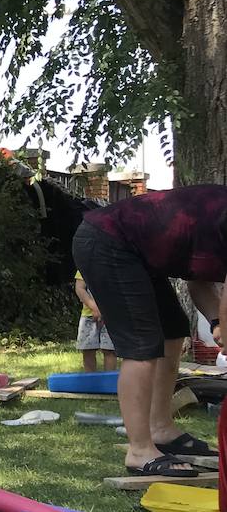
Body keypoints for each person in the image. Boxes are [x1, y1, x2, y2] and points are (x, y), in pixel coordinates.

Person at [72, 185, 227, 476]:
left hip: (136, 253)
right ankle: (139, 450)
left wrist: (217, 323)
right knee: (142, 346)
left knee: (173, 331)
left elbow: (199, 280)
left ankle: (160, 429)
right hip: (108, 241)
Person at [74, 271, 117, 372]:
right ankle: (90, 382)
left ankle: (108, 383)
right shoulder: (85, 263)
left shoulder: (113, 261)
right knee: (88, 350)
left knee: (110, 350)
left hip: (111, 315)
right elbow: (79, 288)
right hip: (88, 316)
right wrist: (94, 307)